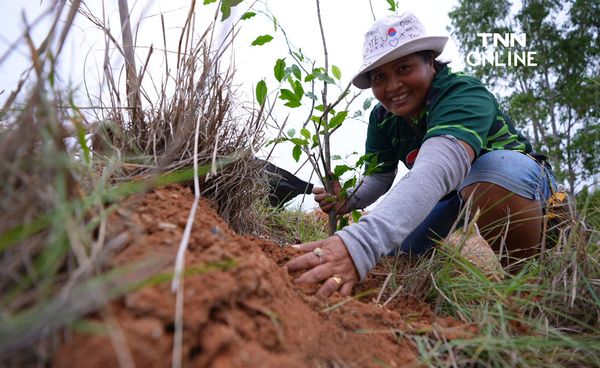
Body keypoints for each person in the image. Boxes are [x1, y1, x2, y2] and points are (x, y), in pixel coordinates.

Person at [285, 12, 557, 298]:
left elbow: (439, 165)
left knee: (492, 170)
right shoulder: (382, 118)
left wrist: (361, 243)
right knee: (397, 250)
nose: (392, 87)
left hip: (516, 183)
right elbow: (380, 176)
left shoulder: (461, 93)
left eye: (404, 68)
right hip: (453, 195)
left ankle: (527, 282)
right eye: (380, 77)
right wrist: (349, 200)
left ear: (430, 61)